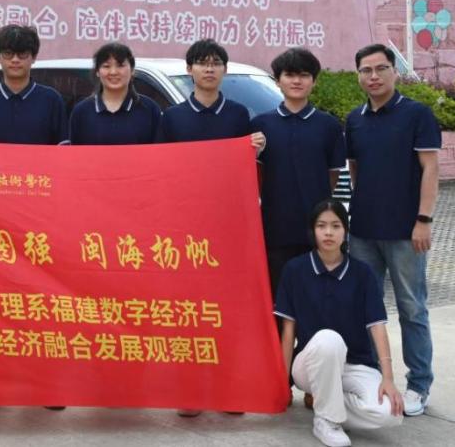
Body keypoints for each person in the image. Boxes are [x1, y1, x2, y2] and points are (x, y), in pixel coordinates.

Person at [157, 38, 265, 417]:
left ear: (224, 70)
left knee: (227, 310)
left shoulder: (238, 115)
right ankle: (190, 389)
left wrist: (254, 148)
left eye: (215, 63)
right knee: (187, 310)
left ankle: (229, 388)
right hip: (184, 228)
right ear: (189, 70)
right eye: (201, 63)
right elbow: (161, 171)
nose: (208, 69)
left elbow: (246, 170)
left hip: (227, 227)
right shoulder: (172, 118)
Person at [345, 44, 440, 417]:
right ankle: (371, 376)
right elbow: (356, 170)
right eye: (365, 70)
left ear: (394, 71)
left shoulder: (417, 114)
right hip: (363, 232)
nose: (373, 76)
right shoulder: (354, 120)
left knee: (411, 308)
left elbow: (430, 169)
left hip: (405, 232)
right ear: (358, 76)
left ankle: (419, 384)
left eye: (380, 68)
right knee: (365, 308)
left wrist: (423, 219)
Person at [274, 200, 404, 447]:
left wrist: (388, 378)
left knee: (390, 413)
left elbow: (377, 327)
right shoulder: (294, 270)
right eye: (321, 226)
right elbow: (288, 333)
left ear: (345, 231)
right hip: (310, 365)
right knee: (329, 340)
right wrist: (282, 383)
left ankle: (326, 404)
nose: (328, 232)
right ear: (313, 231)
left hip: (356, 365)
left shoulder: (363, 273)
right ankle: (327, 421)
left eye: (335, 226)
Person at [250, 48, 347, 296]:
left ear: (314, 81)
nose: (297, 81)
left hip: (318, 229)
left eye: (304, 75)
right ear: (277, 80)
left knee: (318, 298)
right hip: (274, 228)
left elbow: (333, 175)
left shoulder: (329, 125)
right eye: (290, 75)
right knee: (280, 297)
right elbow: (254, 176)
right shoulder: (260, 125)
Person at [0, 24, 67, 145]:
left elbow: (62, 148)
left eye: (22, 53)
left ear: (34, 57)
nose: (15, 60)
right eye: (8, 53)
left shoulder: (52, 100)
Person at [68, 42, 161, 145]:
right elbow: (75, 152)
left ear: (132, 70)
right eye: (106, 66)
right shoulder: (82, 112)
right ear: (97, 72)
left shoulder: (149, 110)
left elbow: (159, 151)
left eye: (120, 65)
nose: (113, 72)